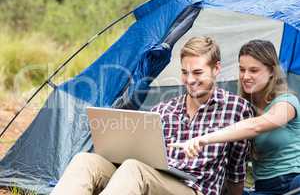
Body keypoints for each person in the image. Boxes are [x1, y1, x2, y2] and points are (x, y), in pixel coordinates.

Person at [50, 36, 254, 195]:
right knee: (86, 161)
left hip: (193, 188)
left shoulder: (237, 109)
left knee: (134, 169)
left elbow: (236, 174)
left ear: (216, 68)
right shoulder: (163, 110)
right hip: (150, 177)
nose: (190, 80)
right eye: (185, 72)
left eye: (198, 73)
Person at [169, 39, 300, 195]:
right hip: (263, 189)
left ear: (271, 71)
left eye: (253, 70)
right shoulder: (243, 109)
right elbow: (234, 166)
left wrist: (203, 139)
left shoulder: (287, 103)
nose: (245, 76)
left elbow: (256, 126)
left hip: (292, 183)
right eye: (242, 69)